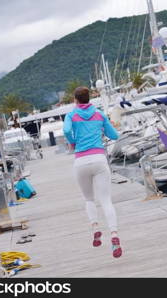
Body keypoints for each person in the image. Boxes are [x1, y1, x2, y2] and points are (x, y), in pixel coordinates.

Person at [63, 86, 122, 258]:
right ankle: (114, 235)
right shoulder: (99, 114)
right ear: (89, 98)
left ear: (76, 100)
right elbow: (115, 136)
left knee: (89, 199)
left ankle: (95, 228)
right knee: (106, 200)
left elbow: (66, 131)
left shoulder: (71, 115)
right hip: (99, 159)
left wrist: (73, 141)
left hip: (81, 161)